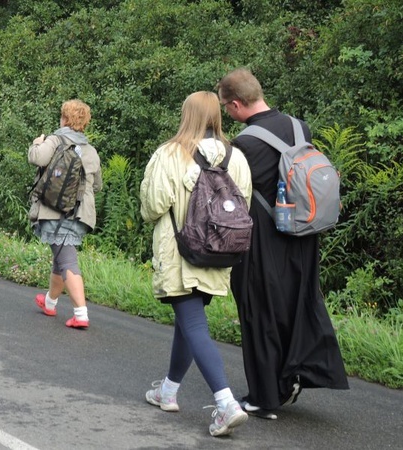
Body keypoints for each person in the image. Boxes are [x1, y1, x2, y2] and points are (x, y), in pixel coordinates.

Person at [217, 68, 349, 419]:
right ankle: (289, 377)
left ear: (235, 104)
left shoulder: (245, 143)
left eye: (226, 109)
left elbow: (236, 194)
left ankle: (263, 396)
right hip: (303, 235)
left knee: (259, 311)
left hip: (266, 239)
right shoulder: (298, 126)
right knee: (295, 304)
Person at [139, 91, 252, 436]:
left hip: (180, 252)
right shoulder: (237, 157)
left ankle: (225, 404)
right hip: (219, 252)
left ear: (186, 115)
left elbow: (154, 206)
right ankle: (168, 391)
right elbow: (242, 202)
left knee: (194, 326)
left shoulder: (170, 153)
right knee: (188, 321)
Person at [29, 99, 102, 329]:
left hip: (54, 212)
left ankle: (81, 314)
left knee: (67, 259)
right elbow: (97, 185)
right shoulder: (90, 151)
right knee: (60, 257)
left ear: (64, 119)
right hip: (80, 214)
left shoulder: (54, 140)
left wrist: (36, 143)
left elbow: (36, 158)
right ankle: (50, 303)